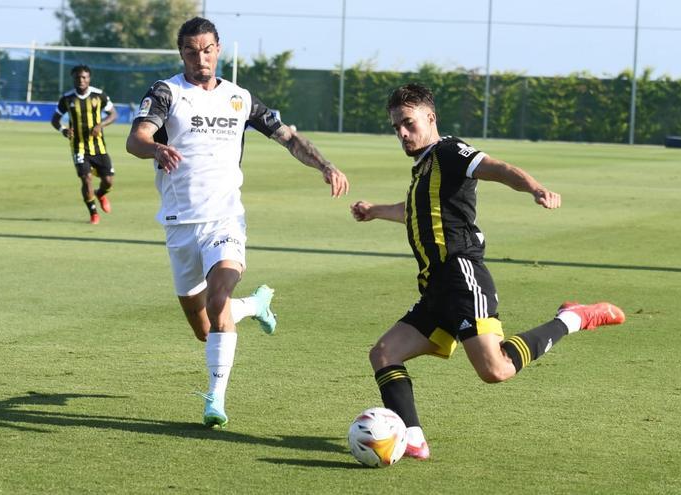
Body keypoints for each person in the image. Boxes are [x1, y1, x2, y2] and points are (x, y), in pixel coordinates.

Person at [350, 83, 625, 460]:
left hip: (461, 278)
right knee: (383, 354)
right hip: (435, 289)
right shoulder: (425, 168)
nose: (401, 132)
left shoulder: (449, 151)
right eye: (396, 125)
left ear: (430, 118)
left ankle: (573, 318)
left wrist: (535, 188)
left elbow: (497, 168)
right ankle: (413, 438)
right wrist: (376, 210)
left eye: (408, 123)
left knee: (495, 369)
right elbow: (415, 213)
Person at [125, 17, 349, 429]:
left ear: (219, 49)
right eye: (192, 51)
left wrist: (325, 164)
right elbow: (135, 138)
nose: (201, 58)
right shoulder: (166, 93)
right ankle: (255, 305)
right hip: (179, 225)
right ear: (182, 54)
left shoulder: (239, 98)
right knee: (205, 328)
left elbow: (288, 136)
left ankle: (216, 400)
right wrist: (156, 149)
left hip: (225, 220)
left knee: (218, 299)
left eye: (207, 49)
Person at [50, 65, 118, 224]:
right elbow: (55, 119)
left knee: (108, 181)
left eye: (84, 77)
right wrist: (63, 130)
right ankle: (93, 213)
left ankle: (100, 194)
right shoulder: (67, 98)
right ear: (73, 79)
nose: (81, 80)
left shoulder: (99, 95)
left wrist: (101, 125)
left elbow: (113, 114)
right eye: (78, 78)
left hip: (99, 147)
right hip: (78, 147)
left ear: (89, 78)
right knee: (86, 179)